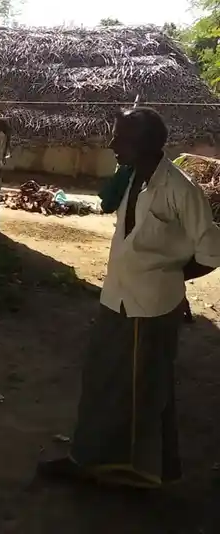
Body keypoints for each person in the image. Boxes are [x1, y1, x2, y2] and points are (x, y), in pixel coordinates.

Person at [39, 107, 220, 488]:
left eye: (120, 138)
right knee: (103, 381)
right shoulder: (133, 178)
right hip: (117, 298)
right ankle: (88, 459)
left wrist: (170, 276)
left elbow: (211, 253)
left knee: (146, 390)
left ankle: (139, 471)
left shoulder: (180, 190)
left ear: (144, 144)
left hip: (152, 306)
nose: (112, 144)